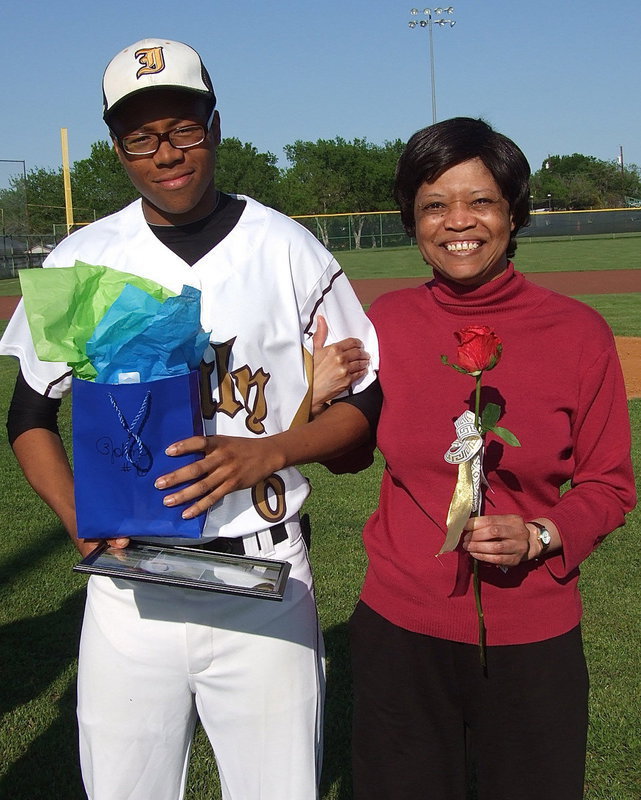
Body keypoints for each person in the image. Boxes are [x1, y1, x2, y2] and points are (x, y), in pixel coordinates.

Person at [0, 38, 379, 800]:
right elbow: (29, 414)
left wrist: (264, 452)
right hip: (126, 590)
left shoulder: (287, 248)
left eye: (182, 128)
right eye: (140, 136)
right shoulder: (83, 255)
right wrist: (77, 516)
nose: (164, 152)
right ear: (118, 148)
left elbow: (363, 412)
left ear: (214, 125)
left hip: (265, 572)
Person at [338, 117, 636, 800]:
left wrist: (539, 533)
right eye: (433, 205)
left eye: (479, 201)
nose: (456, 222)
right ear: (410, 221)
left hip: (532, 632)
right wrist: (323, 401)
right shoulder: (386, 321)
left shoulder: (577, 332)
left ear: (512, 213)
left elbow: (607, 485)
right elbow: (350, 460)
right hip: (399, 626)